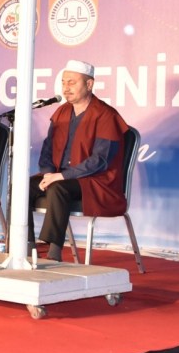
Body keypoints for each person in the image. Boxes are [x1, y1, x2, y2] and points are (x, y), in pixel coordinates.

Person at [28, 60, 129, 262]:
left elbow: (100, 160)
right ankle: (25, 244)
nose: (66, 88)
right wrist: (48, 173)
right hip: (59, 175)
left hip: (94, 181)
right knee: (21, 187)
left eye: (72, 82)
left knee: (58, 187)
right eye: (64, 82)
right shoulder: (62, 112)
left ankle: (53, 252)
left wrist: (62, 176)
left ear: (89, 84)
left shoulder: (106, 115)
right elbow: (47, 148)